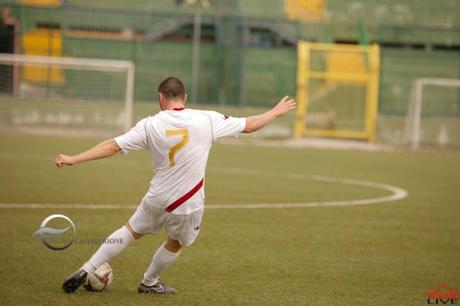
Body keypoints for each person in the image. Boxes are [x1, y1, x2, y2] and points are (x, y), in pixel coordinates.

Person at [57, 77, 296, 294]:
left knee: (130, 231)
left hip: (157, 197)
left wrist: (74, 159)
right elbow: (250, 125)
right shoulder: (206, 119)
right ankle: (149, 282)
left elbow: (113, 145)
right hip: (187, 203)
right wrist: (275, 112)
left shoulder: (150, 124)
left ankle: (88, 268)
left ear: (161, 98)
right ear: (185, 98)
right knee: (176, 242)